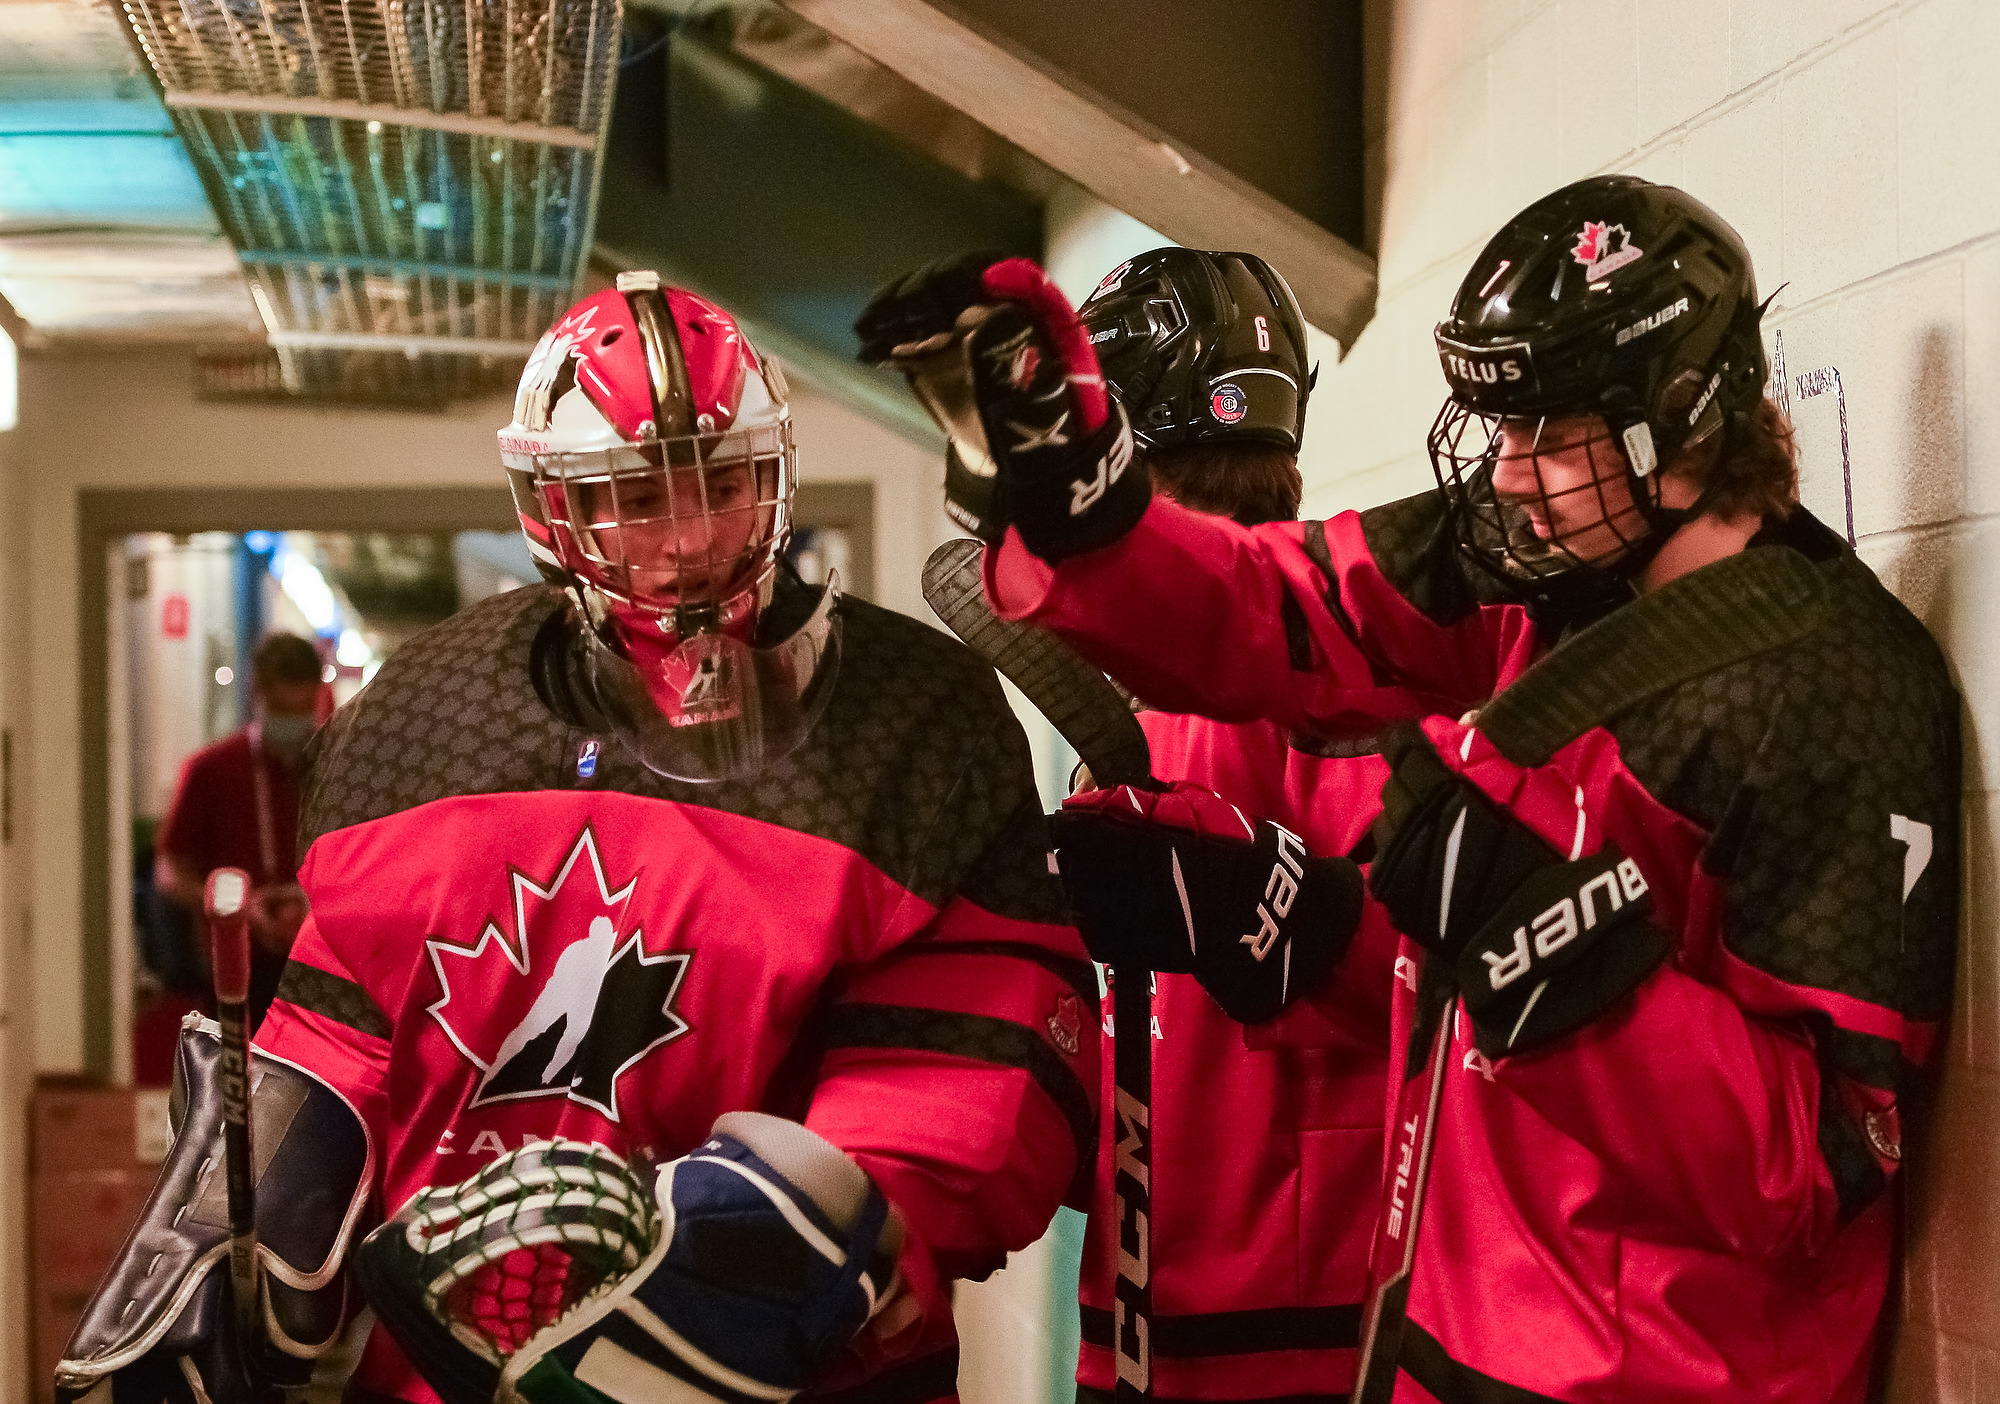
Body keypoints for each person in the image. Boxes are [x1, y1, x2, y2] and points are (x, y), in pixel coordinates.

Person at [858, 176, 1959, 1404]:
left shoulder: (1837, 693)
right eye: (1500, 430)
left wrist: (1551, 949)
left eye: (1548, 435)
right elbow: (1277, 608)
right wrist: (1086, 511)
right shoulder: (1542, 556)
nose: (1509, 474)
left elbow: (1824, 1164)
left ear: (1680, 425)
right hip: (1450, 1347)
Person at [58, 275, 1097, 1404]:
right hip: (444, 1369)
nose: (691, 539)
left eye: (724, 484)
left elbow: (972, 1050)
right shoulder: (418, 716)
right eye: (638, 496)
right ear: (553, 506)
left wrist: (776, 1246)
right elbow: (337, 1038)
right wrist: (232, 1231)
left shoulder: (915, 717)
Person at [1063, 248, 1402, 1404]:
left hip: (1256, 1330)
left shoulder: (1204, 693)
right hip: (1231, 1308)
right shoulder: (1370, 644)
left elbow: (1426, 994)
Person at [153, 629, 321, 1027]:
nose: (293, 722)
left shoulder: (333, 766)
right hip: (235, 969)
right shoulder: (213, 770)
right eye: (281, 709)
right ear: (256, 692)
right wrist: (237, 908)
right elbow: (170, 871)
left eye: (303, 710)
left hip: (318, 967)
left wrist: (314, 903)